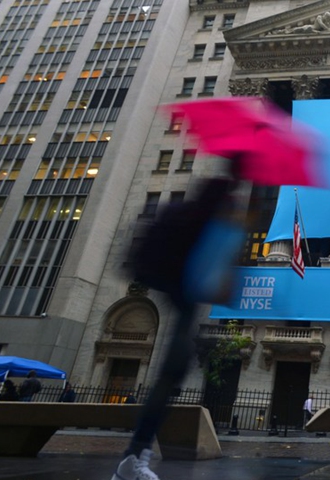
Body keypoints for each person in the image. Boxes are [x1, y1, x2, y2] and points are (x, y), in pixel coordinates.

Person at [111, 175, 246, 480]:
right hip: (178, 291)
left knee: (173, 372)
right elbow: (208, 278)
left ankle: (135, 455)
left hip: (180, 293)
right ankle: (135, 456)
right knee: (172, 371)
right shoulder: (206, 216)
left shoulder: (205, 214)